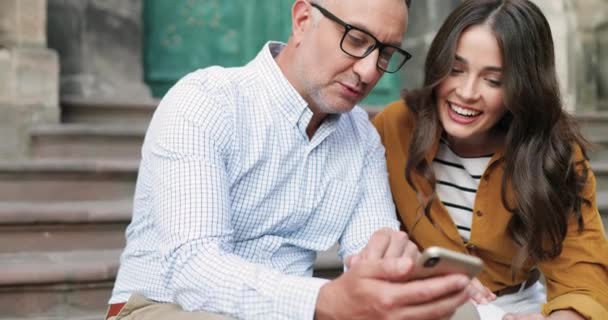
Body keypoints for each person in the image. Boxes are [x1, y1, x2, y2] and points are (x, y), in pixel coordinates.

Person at [106, 0, 476, 319]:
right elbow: (194, 272)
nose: (369, 71)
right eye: (357, 40)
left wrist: (399, 274)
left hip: (294, 312)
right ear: (302, 20)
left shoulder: (361, 137)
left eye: (386, 54)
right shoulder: (206, 102)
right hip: (161, 307)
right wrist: (323, 299)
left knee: (455, 313)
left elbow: (372, 249)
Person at [373, 0, 608, 319]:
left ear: (523, 88)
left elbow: (584, 279)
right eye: (455, 70)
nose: (467, 92)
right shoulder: (394, 126)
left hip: (514, 307)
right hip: (416, 298)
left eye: (493, 80)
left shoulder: (555, 153)